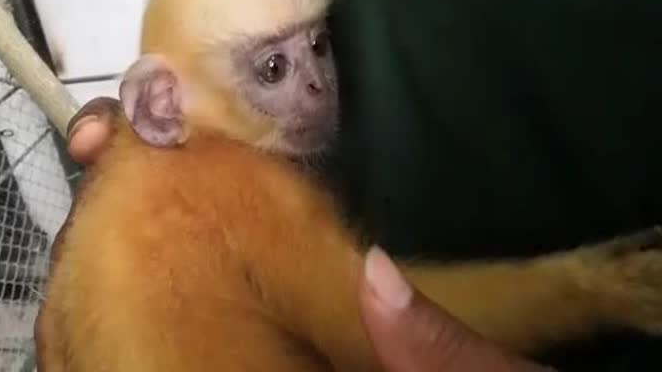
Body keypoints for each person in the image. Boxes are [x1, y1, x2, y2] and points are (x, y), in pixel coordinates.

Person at [57, 97, 556, 372]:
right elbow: (360, 323)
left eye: (319, 46)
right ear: (160, 105)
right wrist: (592, 288)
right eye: (273, 70)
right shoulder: (243, 176)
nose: (320, 87)